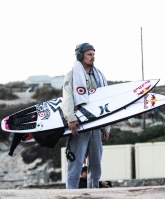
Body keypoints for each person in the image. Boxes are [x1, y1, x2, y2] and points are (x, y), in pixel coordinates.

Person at [62, 43, 110, 189]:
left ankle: (94, 192)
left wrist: (106, 127)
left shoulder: (99, 76)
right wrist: (71, 118)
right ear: (80, 55)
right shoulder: (71, 75)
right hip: (79, 125)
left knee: (95, 163)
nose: (93, 57)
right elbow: (67, 98)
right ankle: (71, 193)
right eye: (89, 54)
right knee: (76, 162)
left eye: (93, 54)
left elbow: (106, 101)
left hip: (96, 125)